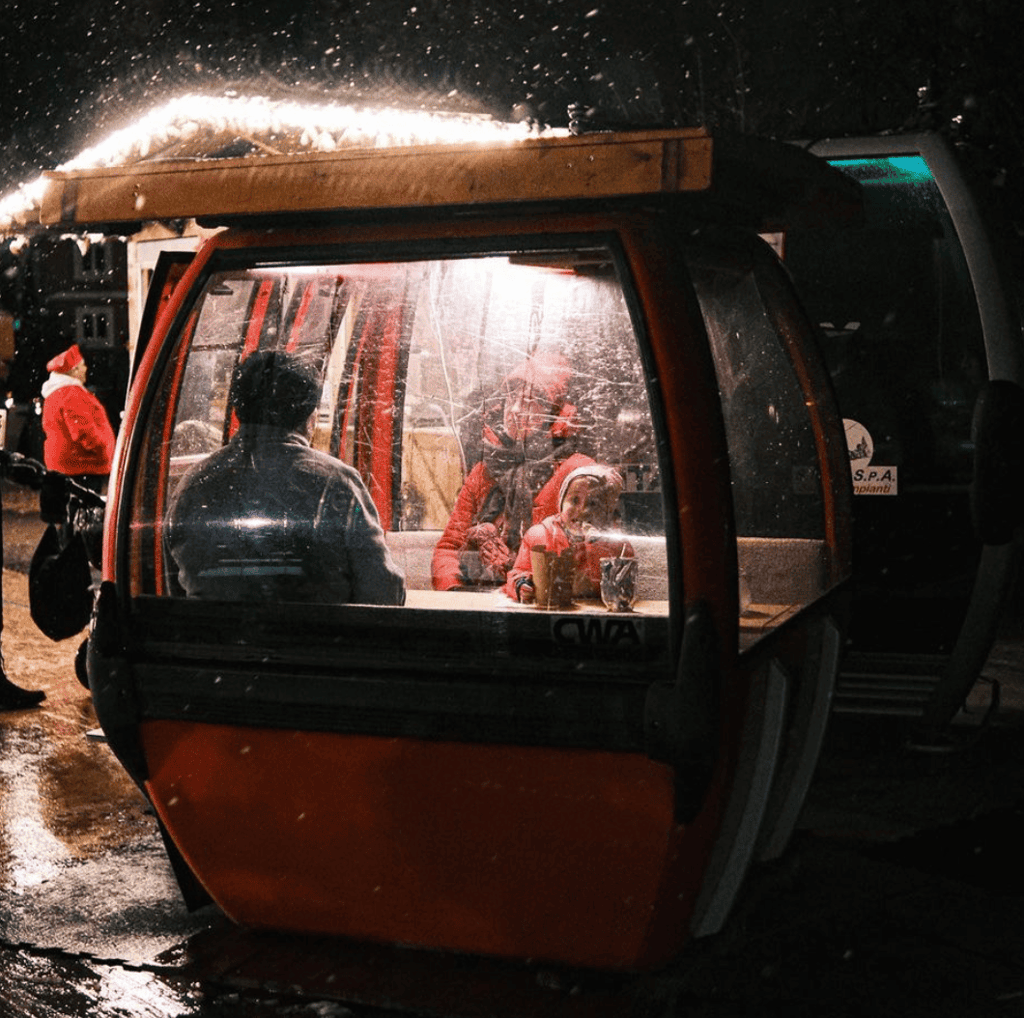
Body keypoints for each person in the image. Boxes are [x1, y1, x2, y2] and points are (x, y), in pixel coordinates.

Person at [165, 350, 405, 606]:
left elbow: (174, 588)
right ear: (309, 416)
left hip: (217, 642)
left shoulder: (192, 485)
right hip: (314, 643)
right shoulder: (337, 484)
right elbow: (382, 592)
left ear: (237, 409)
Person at [431, 351, 594, 591]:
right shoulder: (483, 472)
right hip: (478, 599)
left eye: (530, 401)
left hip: (539, 601)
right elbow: (448, 548)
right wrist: (455, 592)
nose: (515, 410)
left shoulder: (575, 474)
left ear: (554, 412)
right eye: (511, 398)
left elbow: (586, 555)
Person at [504, 463, 634, 603]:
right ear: (561, 502)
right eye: (575, 500)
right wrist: (522, 585)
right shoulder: (539, 536)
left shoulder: (617, 544)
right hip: (553, 610)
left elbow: (625, 587)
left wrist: (600, 546)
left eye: (593, 503)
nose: (583, 510)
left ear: (606, 511)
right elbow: (518, 571)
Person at [40, 344, 116, 493]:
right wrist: (102, 448)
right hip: (82, 466)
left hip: (66, 465)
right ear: (74, 370)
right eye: (82, 366)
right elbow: (82, 430)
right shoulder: (72, 394)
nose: (86, 369)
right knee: (85, 511)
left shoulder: (55, 394)